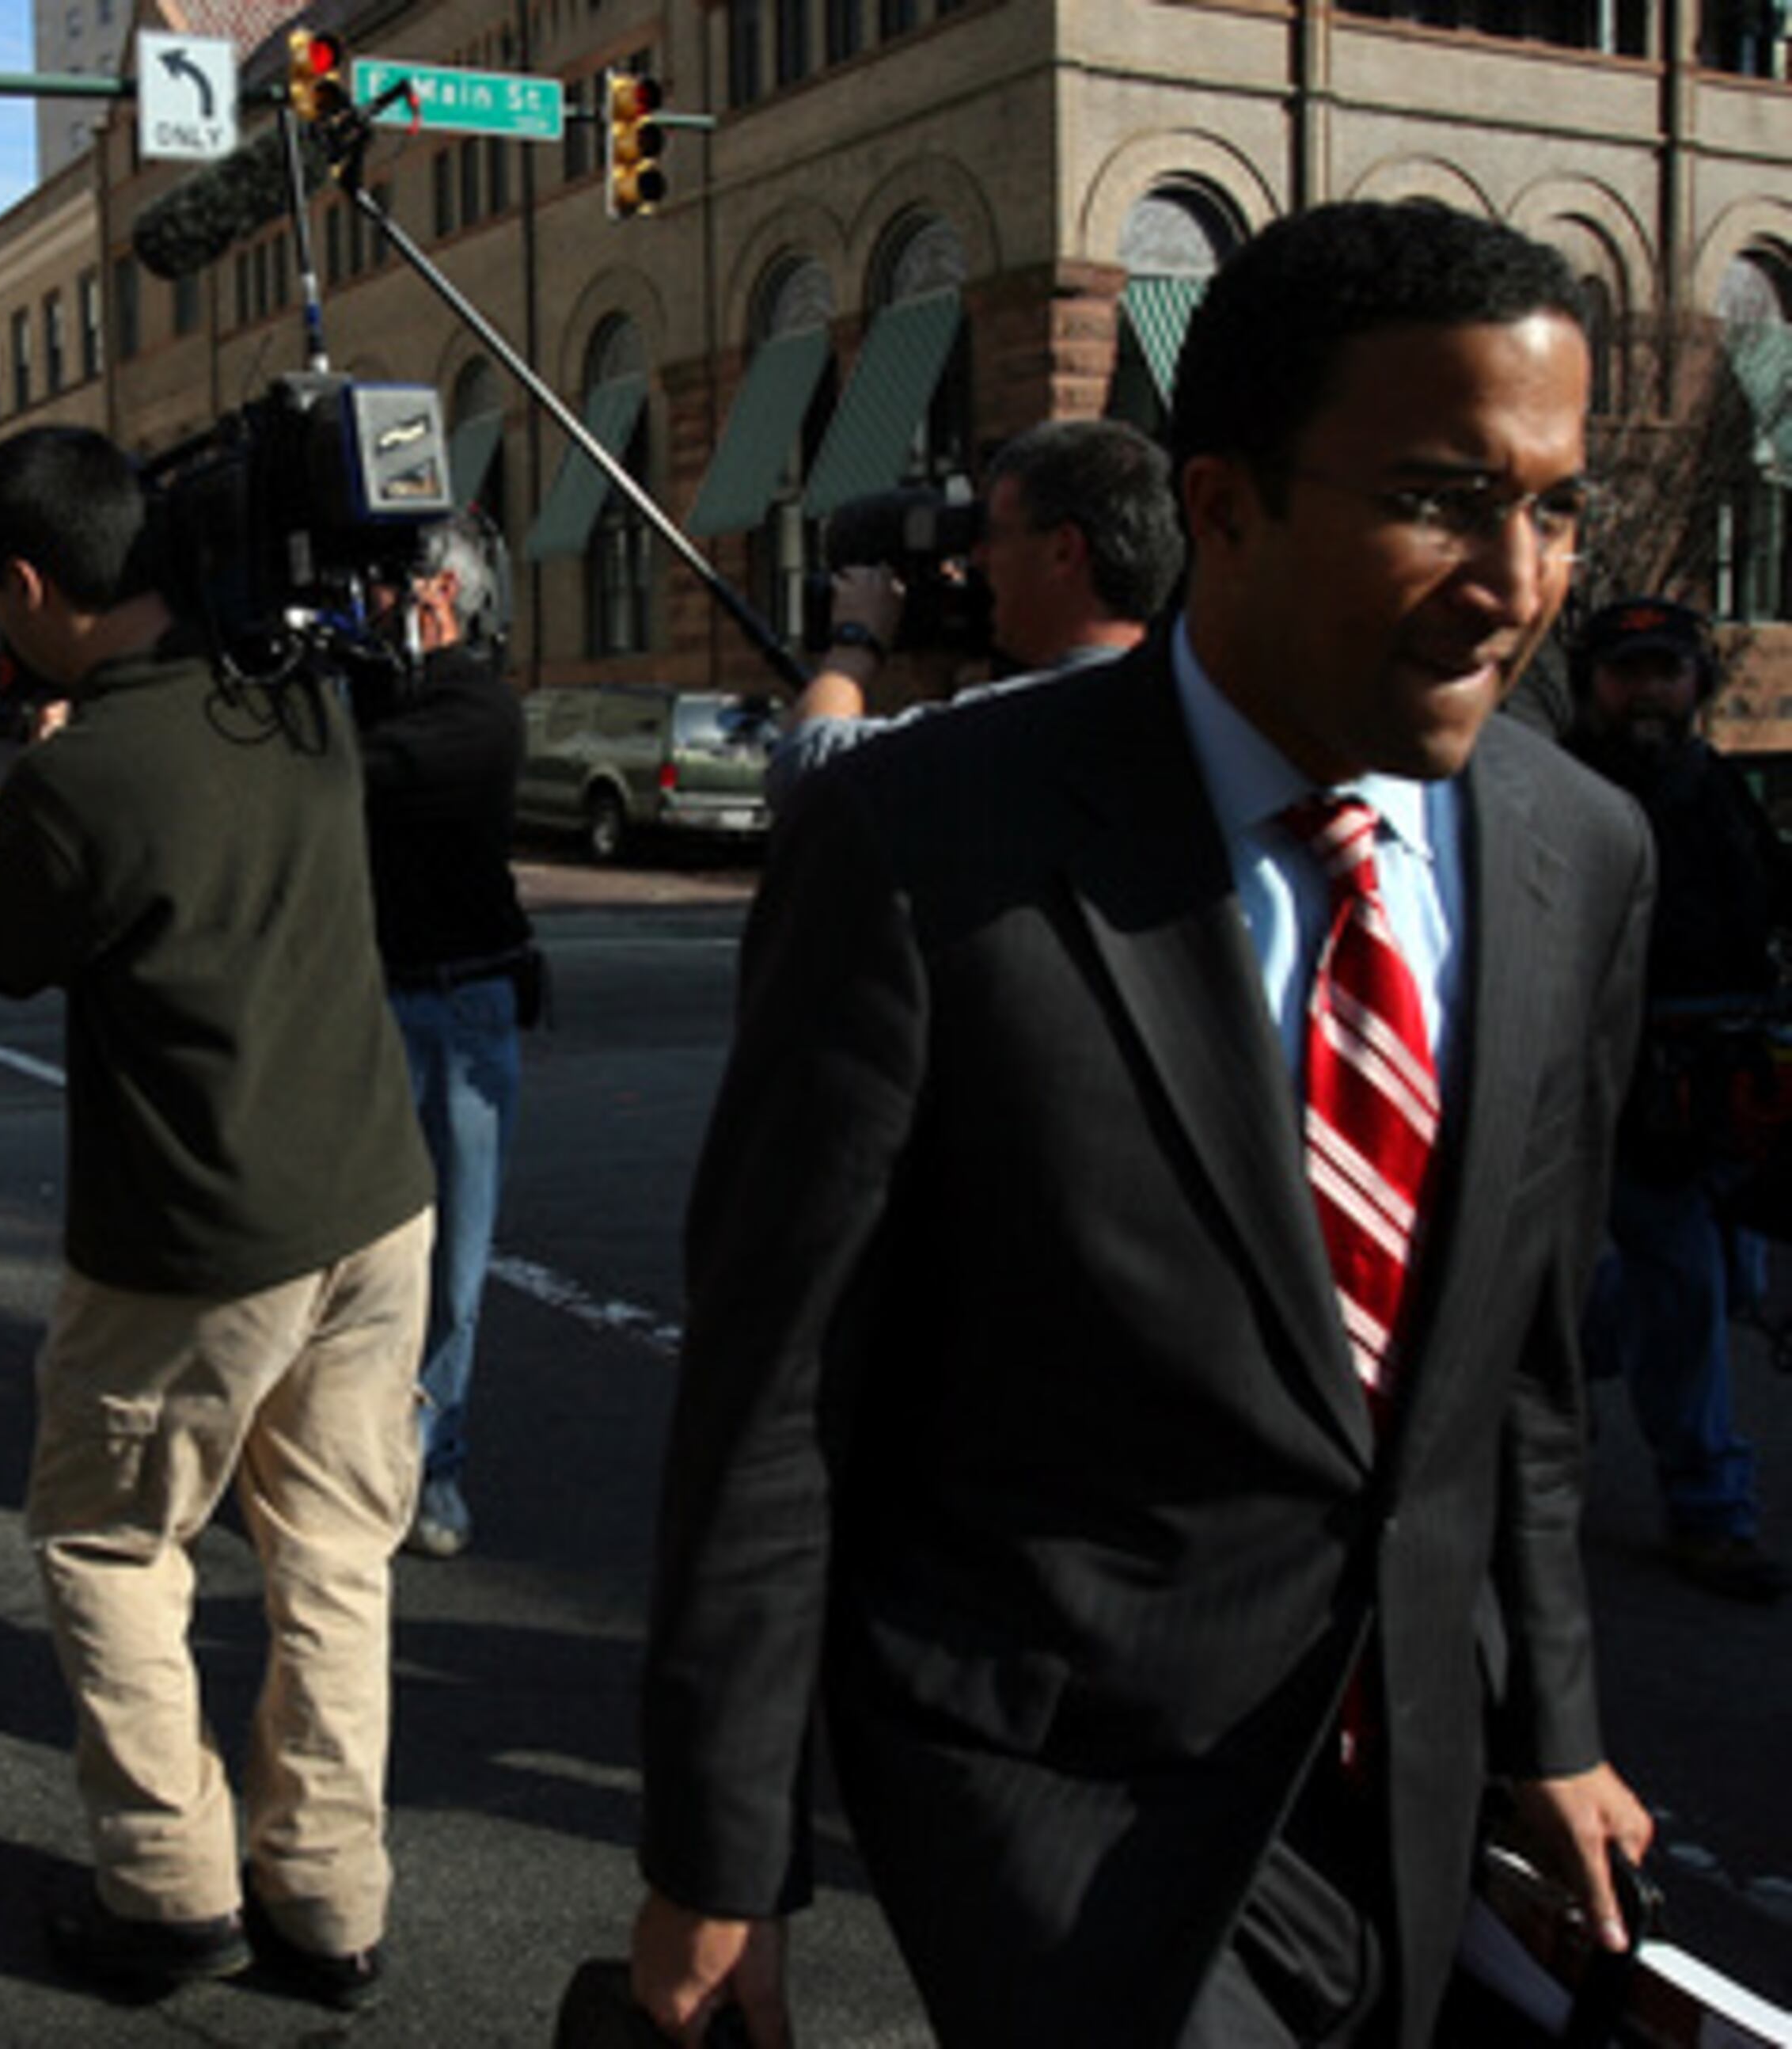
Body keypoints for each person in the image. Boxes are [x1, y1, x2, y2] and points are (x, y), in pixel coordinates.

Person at [632, 201, 1656, 2047]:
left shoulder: (1577, 848)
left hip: (1406, 1768)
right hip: (1053, 1778)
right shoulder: (923, 840)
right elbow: (778, 1388)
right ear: (1225, 504)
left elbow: (1518, 1366)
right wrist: (723, 1855)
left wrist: (1546, 1726)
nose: (1514, 579)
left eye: (1556, 505)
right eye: (1438, 495)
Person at [0, 426, 434, 2010]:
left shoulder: (86, 775)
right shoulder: (299, 699)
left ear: (28, 583)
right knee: (339, 1557)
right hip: (375, 1194)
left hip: (193, 1238)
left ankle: (168, 1884)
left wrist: (41, 772)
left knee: (112, 1538)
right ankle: (329, 1899)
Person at [1564, 595, 1792, 1603]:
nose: (1649, 689)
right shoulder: (1569, 793)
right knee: (1691, 1282)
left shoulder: (1720, 794)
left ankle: (1553, 1363)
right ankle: (1711, 1505)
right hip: (1611, 1083)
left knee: (1727, 1286)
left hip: (1722, 1085)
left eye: (1666, 669)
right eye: (1629, 671)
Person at [355, 510, 538, 1561]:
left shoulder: (479, 715)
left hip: (464, 1009)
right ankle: (359, 1455)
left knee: (452, 1264)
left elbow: (345, 779)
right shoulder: (368, 692)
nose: (365, 605)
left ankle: (437, 1470)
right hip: (377, 999)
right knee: (362, 1256)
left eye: (386, 587)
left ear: (437, 596)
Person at [772, 416, 1182, 799]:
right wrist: (938, 682)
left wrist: (854, 645)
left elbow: (807, 777)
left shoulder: (1031, 721)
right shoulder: (1183, 712)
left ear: (1064, 551)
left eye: (996, 536)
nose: (980, 560)